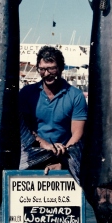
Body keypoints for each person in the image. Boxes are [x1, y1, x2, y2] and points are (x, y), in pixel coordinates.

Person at [19, 45, 88, 175]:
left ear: (61, 68)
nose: (47, 74)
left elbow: (78, 133)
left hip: (66, 155)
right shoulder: (26, 93)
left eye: (52, 69)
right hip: (32, 154)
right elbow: (24, 129)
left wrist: (63, 157)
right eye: (43, 69)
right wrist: (45, 144)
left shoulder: (76, 96)